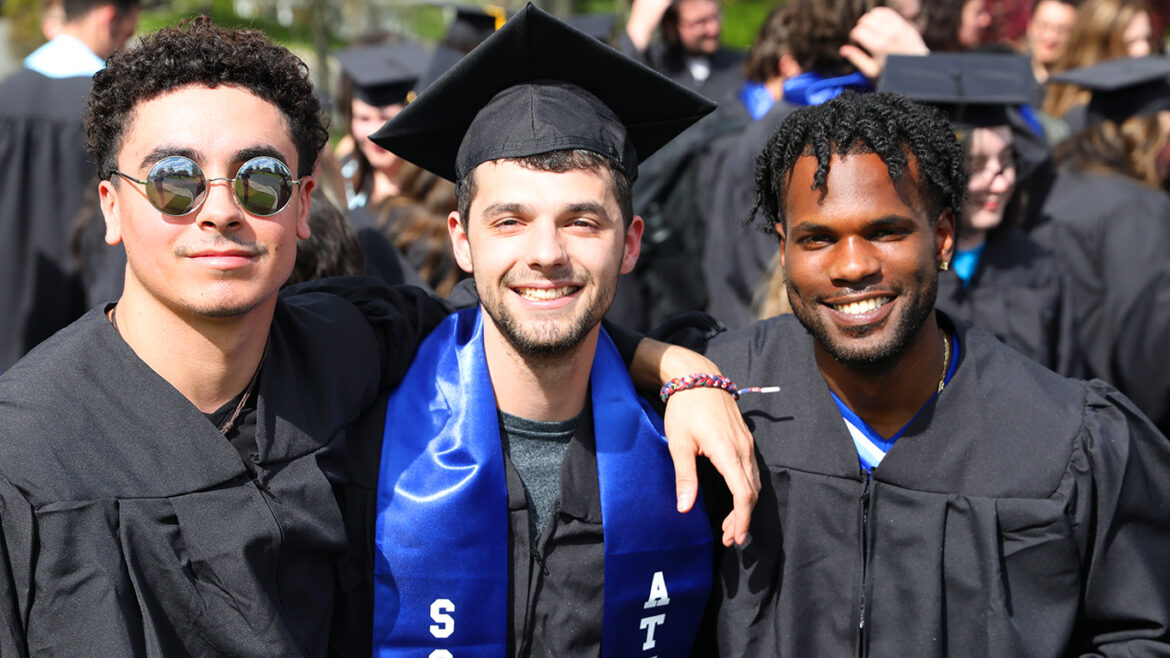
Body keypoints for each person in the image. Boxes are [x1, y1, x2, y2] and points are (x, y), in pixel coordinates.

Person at [0, 16, 757, 655]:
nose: (220, 210)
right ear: (109, 205)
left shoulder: (350, 343)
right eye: (175, 180)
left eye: (258, 179)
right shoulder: (25, 456)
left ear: (302, 205)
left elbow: (525, 314)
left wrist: (682, 368)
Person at [690, 91, 1170, 653]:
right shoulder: (718, 392)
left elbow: (1141, 635)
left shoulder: (1062, 434)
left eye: (886, 232)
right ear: (784, 249)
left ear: (942, 236)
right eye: (817, 238)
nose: (852, 267)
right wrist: (674, 371)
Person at [367, 6, 733, 653]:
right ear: (461, 241)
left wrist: (685, 371)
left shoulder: (696, 458)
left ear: (630, 244)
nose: (546, 252)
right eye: (509, 220)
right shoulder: (365, 425)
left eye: (582, 222)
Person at [879, 53, 1082, 377]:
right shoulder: (898, 270)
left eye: (1006, 161)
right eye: (977, 166)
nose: (1001, 182)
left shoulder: (1038, 267)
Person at [0, 0, 139, 370]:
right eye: (126, 35)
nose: (124, 47)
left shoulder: (7, 94)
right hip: (83, 306)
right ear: (109, 18)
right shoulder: (109, 108)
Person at [1034, 56, 1170, 430]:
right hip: (1121, 426)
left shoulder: (1052, 188)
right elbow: (1150, 355)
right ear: (1148, 133)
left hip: (1054, 410)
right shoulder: (1140, 209)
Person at [619, 0, 744, 102]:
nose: (713, 29)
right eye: (700, 22)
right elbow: (624, 88)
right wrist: (638, 28)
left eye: (715, 17)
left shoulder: (739, 65)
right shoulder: (653, 65)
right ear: (670, 27)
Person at [1027, 0, 1079, 85]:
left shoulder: (1080, 88)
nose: (1050, 36)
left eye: (1062, 30)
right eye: (1043, 26)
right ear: (1029, 26)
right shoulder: (1009, 79)